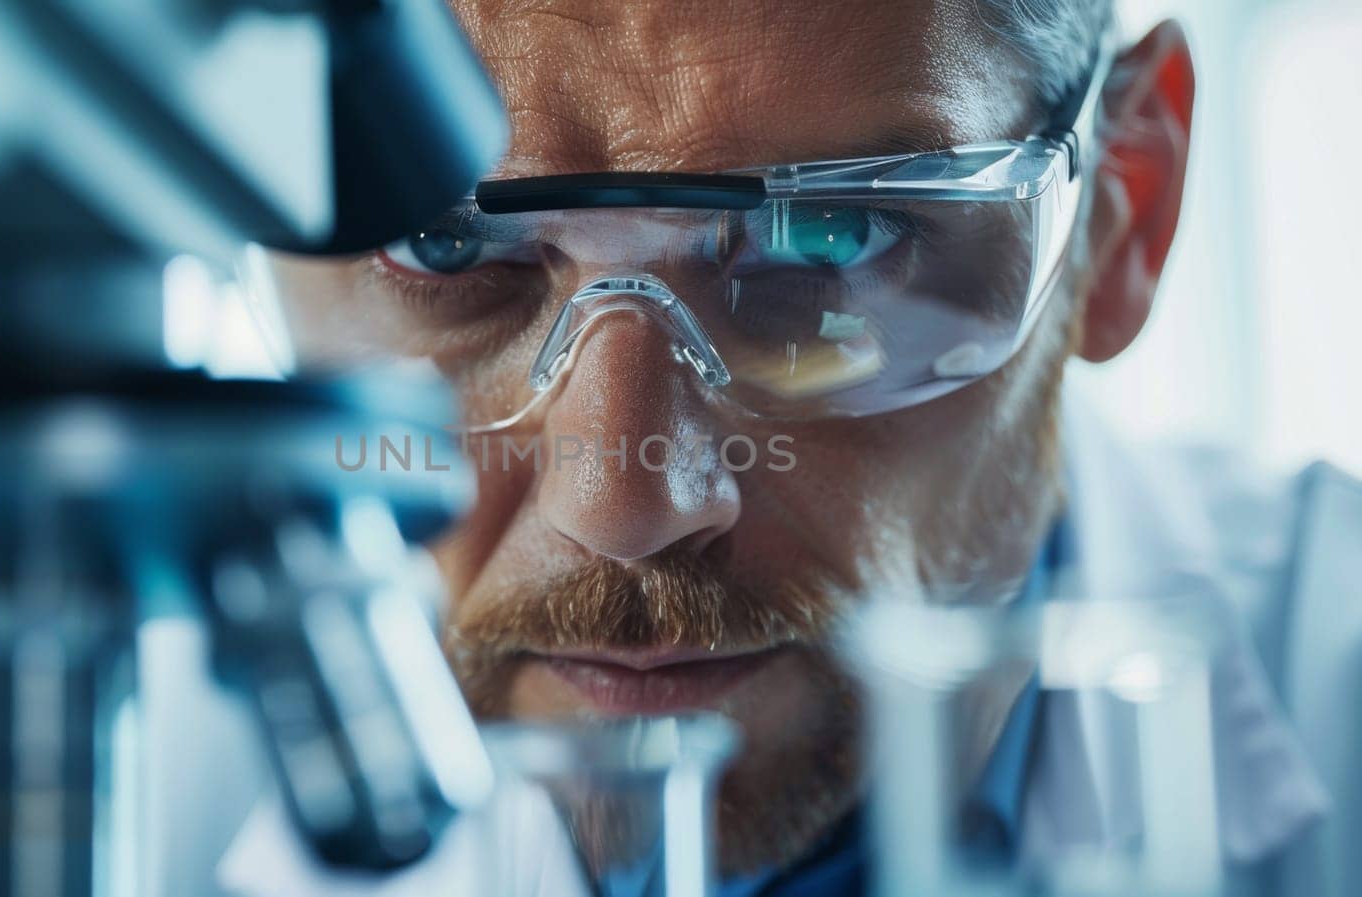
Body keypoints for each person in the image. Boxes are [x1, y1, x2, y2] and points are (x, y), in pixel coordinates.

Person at [254, 0, 1359, 895]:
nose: (624, 508)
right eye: (442, 249)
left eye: (827, 240)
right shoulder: (141, 765)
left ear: (1120, 203)